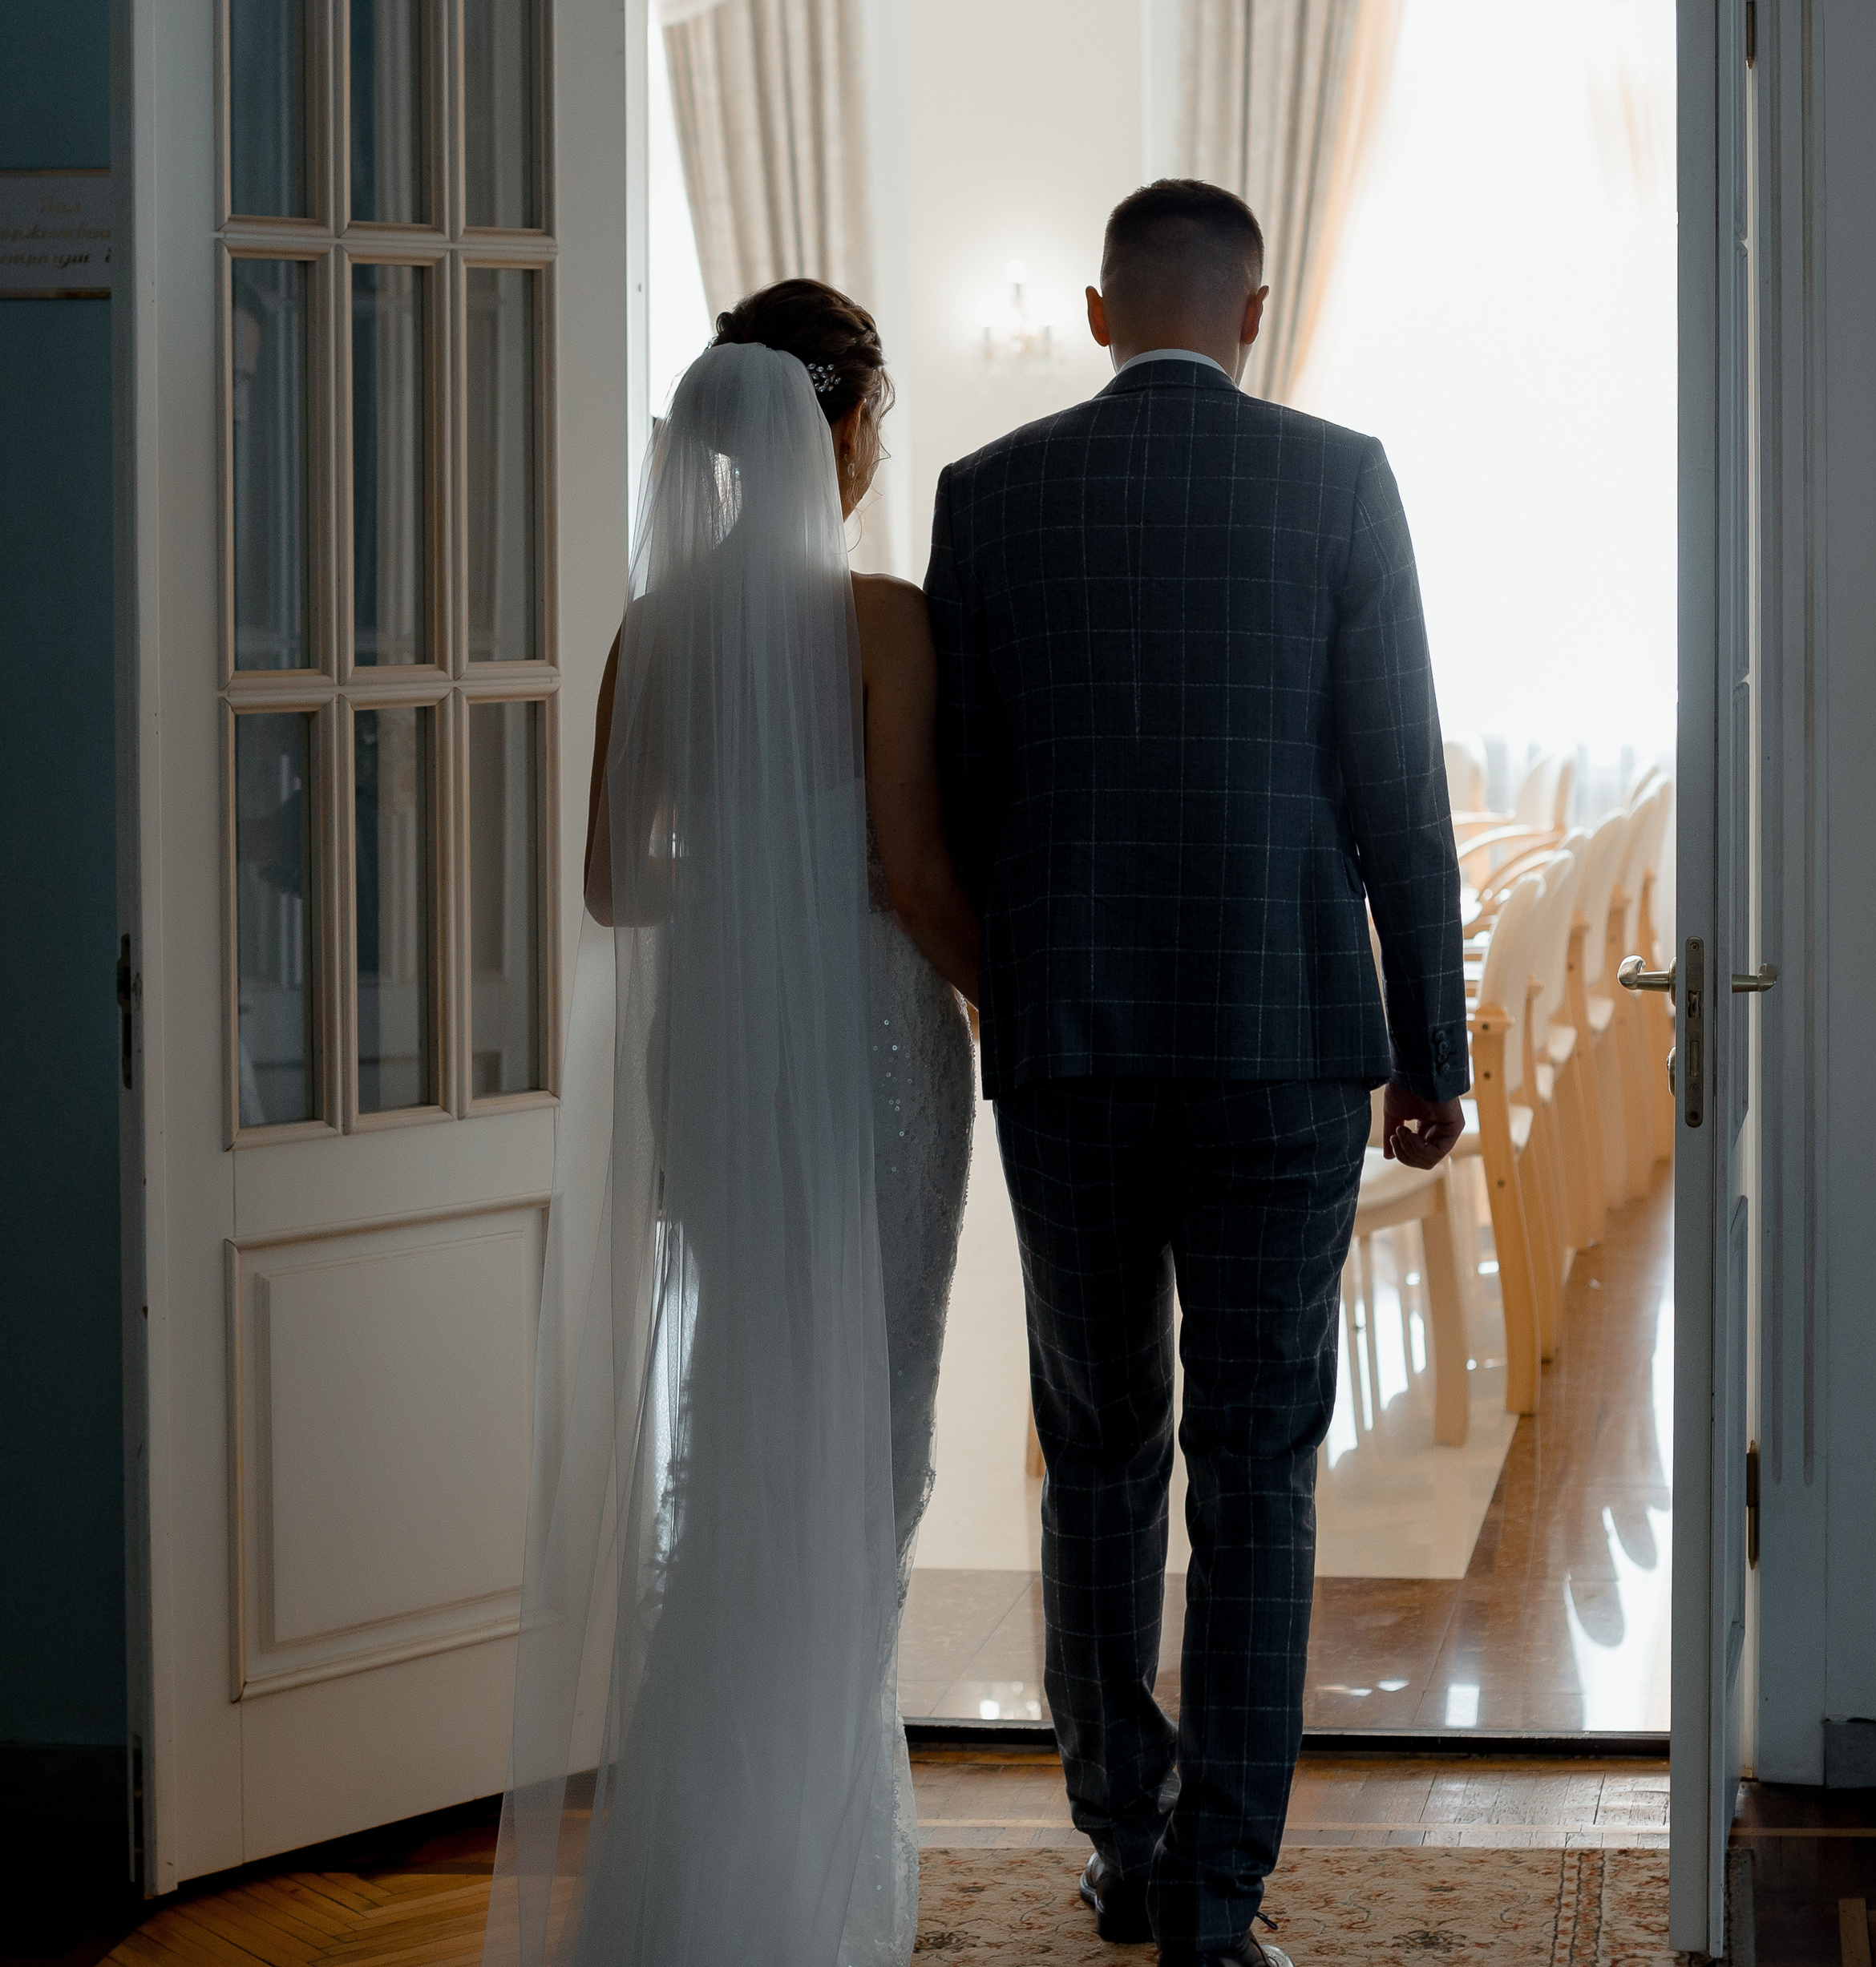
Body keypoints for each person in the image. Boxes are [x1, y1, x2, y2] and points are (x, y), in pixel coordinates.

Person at [927, 180, 1470, 1967]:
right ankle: (1218, 1899)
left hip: (1071, 1052)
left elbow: (966, 802)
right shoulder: (1339, 479)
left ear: (1096, 314)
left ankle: (1120, 1838)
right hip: (1278, 1044)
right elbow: (1395, 785)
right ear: (1250, 314)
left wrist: (1022, 986)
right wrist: (1428, 1050)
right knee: (1260, 1470)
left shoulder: (988, 497)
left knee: (1097, 1461)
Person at [486, 282, 977, 1967]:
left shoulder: (656, 633)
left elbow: (615, 887)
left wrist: (749, 885)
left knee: (747, 1427)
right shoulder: (880, 625)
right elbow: (914, 875)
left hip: (717, 1052)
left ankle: (705, 1875)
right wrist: (1026, 1001)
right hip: (872, 1052)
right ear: (839, 432)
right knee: (864, 1454)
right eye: (877, 425)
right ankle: (810, 1886)